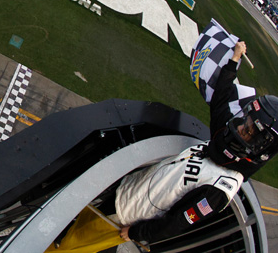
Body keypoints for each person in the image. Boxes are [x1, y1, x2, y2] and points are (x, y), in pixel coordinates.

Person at [117, 41, 278, 246]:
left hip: (127, 218)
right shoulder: (222, 139)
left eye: (248, 132)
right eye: (245, 122)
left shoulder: (220, 190)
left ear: (261, 150)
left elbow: (177, 223)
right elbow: (221, 97)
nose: (240, 129)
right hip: (127, 187)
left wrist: (136, 232)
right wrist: (234, 59)